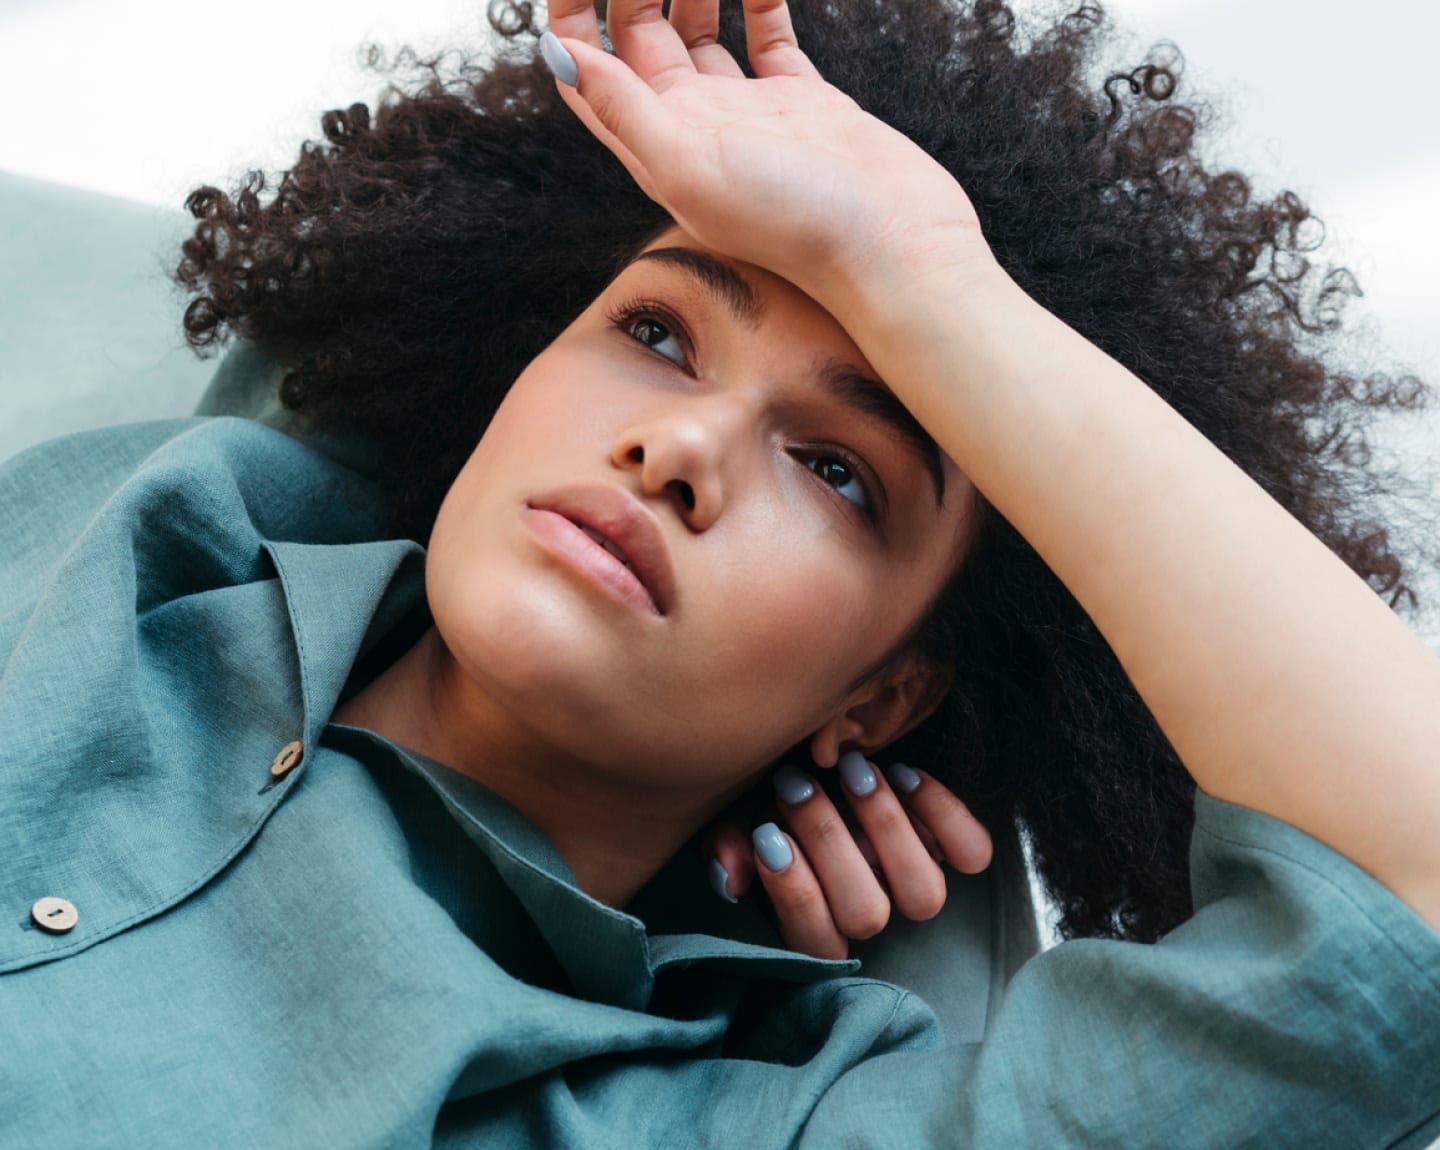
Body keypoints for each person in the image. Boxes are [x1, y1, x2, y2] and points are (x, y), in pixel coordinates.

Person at [2, 0, 1437, 1147]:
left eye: (838, 469)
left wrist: (929, 276)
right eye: (659, 331)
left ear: (882, 693)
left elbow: (1411, 902)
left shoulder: (745, 1114)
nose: (680, 445)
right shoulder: (150, 522)